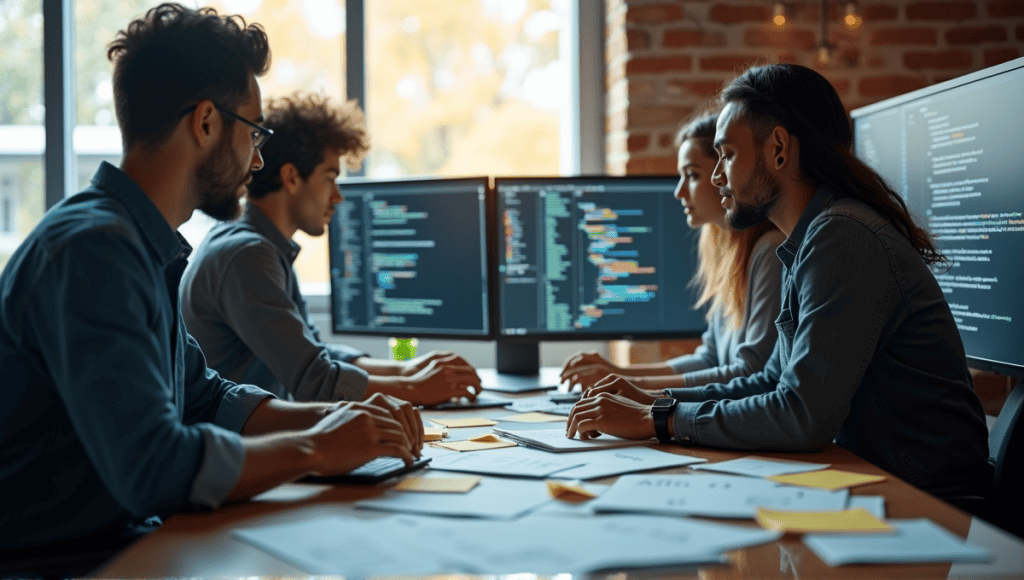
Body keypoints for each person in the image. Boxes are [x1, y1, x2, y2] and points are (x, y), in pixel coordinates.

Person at [0, 4, 421, 571]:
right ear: (205, 123)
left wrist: (342, 422)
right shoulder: (94, 251)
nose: (258, 156)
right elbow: (156, 467)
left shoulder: (145, 244)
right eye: (255, 132)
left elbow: (206, 396)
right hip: (68, 563)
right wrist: (319, 448)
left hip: (127, 540)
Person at [566, 63, 990, 499]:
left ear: (779, 149)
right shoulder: (809, 238)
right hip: (877, 482)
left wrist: (656, 418)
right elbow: (770, 382)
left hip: (930, 503)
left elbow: (801, 416)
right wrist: (651, 402)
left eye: (727, 155)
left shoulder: (843, 235)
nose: (717, 176)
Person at [180, 92, 481, 407]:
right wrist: (418, 389)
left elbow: (314, 351)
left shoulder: (259, 246)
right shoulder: (247, 256)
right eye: (330, 178)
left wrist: (406, 370)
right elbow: (316, 381)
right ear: (292, 177)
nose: (337, 197)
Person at [560, 113, 784, 392]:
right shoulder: (726, 253)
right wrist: (617, 372)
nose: (679, 191)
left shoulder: (771, 251)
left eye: (692, 175)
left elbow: (751, 373)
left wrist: (632, 386)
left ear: (725, 175)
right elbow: (710, 358)